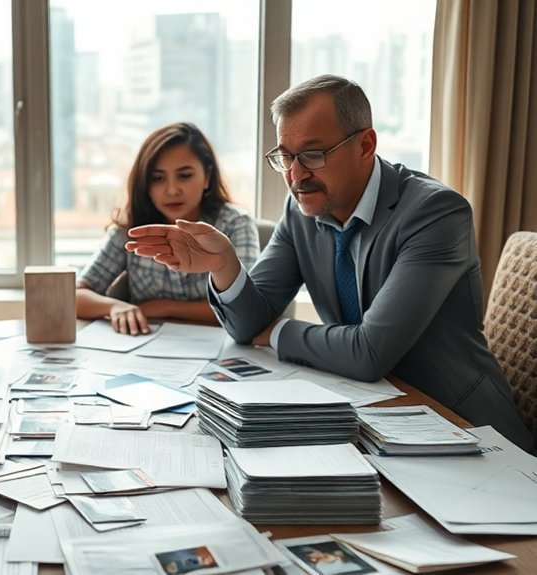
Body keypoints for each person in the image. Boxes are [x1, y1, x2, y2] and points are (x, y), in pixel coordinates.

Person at [126, 75, 533, 451]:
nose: (296, 175)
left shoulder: (435, 213)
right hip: (373, 421)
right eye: (285, 157)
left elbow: (368, 352)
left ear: (365, 145)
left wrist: (278, 330)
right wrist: (225, 267)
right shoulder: (301, 209)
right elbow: (248, 324)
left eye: (313, 154)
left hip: (465, 431)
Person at [75, 122, 259, 335]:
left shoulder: (235, 224)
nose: (172, 190)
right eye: (158, 178)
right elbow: (76, 296)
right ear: (146, 183)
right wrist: (115, 306)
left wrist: (165, 307)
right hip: (146, 349)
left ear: (207, 176)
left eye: (185, 175)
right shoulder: (130, 229)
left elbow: (249, 306)